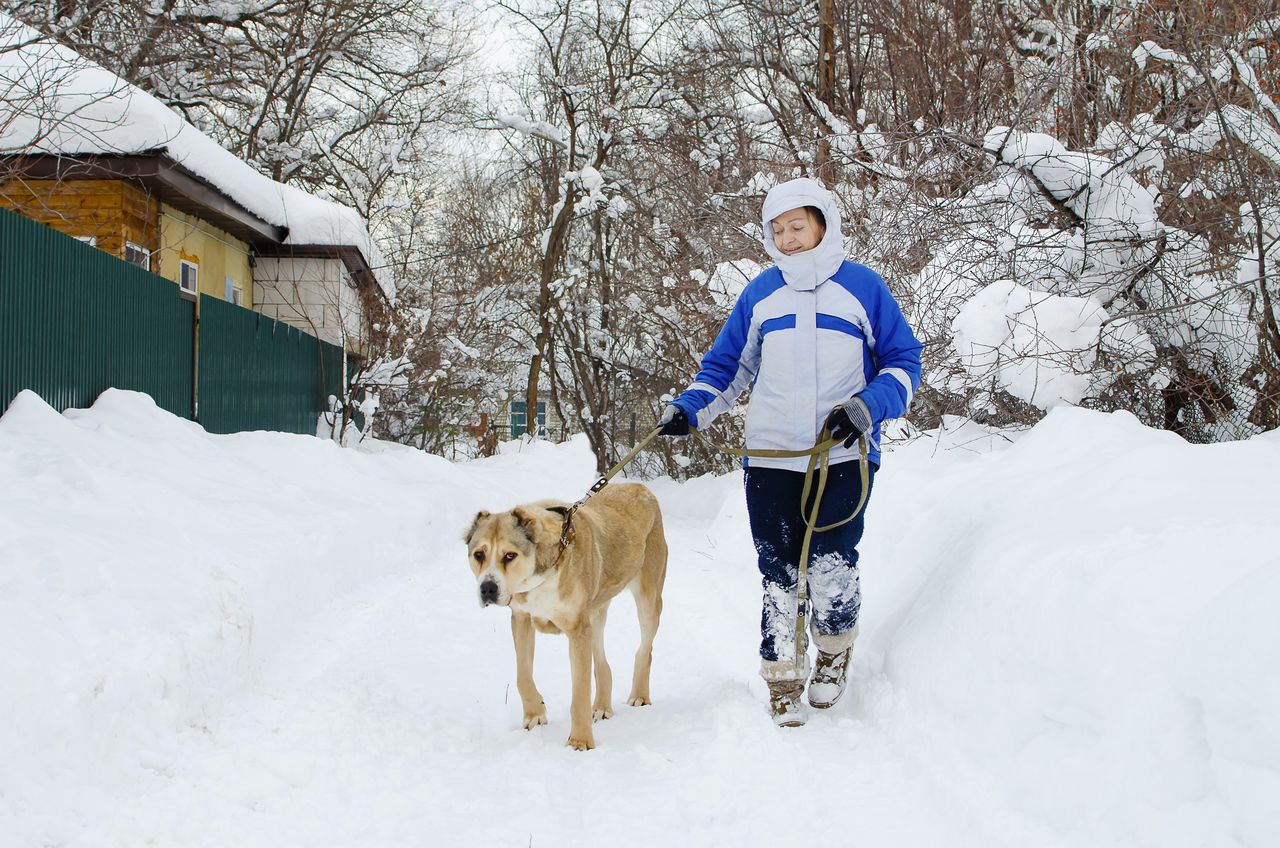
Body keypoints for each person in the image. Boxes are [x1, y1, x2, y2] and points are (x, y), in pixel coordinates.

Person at [656, 177, 922, 727]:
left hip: (842, 455)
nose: (788, 238)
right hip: (773, 456)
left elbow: (903, 362)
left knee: (829, 562)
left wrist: (867, 406)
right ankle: (782, 674)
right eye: (777, 230)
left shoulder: (864, 289)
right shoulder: (760, 295)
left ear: (824, 224)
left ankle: (832, 650)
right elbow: (727, 369)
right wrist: (690, 408)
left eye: (797, 226)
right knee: (778, 568)